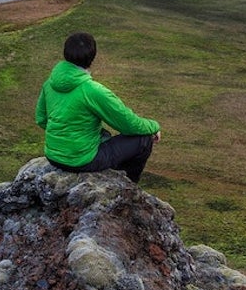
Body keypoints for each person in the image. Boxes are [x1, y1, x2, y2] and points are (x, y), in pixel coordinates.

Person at [35, 31, 161, 183]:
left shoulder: (49, 83)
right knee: (143, 139)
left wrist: (66, 139)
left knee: (105, 135)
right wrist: (154, 126)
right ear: (92, 57)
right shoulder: (93, 90)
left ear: (65, 54)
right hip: (83, 160)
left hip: (53, 157)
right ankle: (127, 184)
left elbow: (41, 119)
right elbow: (128, 124)